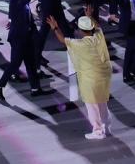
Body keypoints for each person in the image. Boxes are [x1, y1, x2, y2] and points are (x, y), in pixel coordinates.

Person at [47, 8, 113, 140]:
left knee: (92, 106)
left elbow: (62, 40)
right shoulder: (98, 37)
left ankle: (98, 131)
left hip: (90, 80)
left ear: (81, 31)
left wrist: (55, 28)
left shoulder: (79, 44)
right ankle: (106, 126)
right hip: (104, 78)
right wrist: (90, 17)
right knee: (102, 103)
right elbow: (98, 27)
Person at [0, 0, 54, 100]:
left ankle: (35, 89)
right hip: (18, 39)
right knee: (15, 64)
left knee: (30, 63)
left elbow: (27, 17)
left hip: (26, 37)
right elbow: (23, 2)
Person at [35, 0, 72, 76]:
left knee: (65, 27)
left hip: (56, 5)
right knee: (44, 32)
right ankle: (37, 55)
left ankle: (74, 48)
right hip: (49, 7)